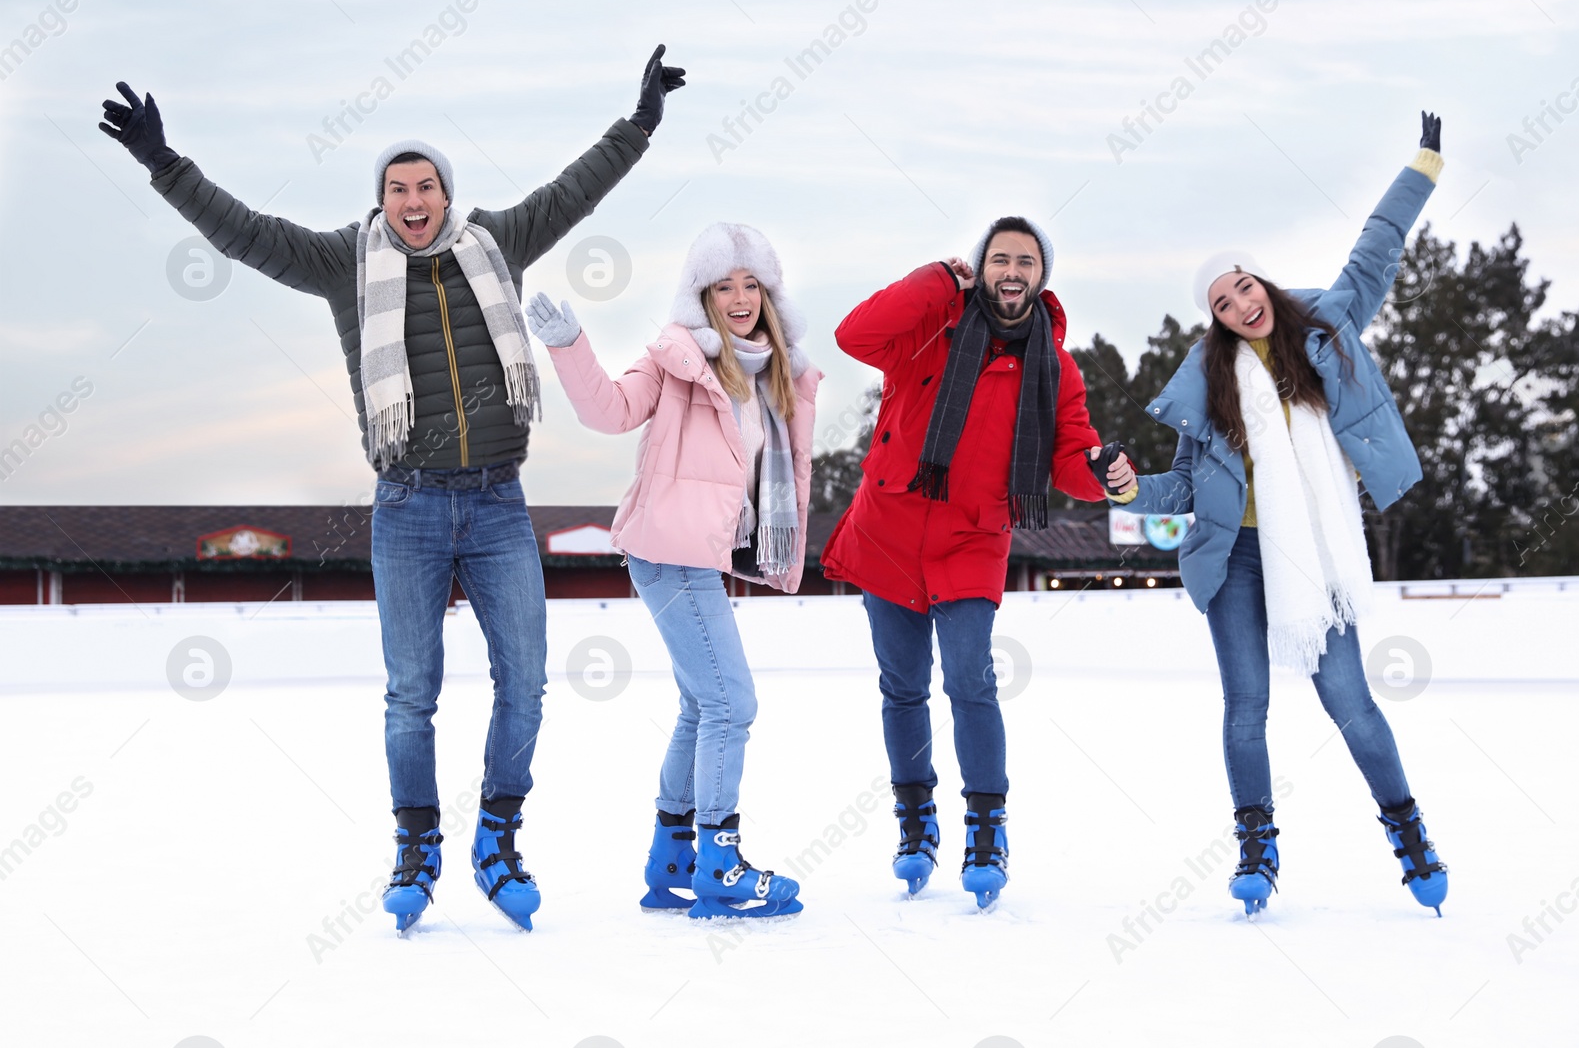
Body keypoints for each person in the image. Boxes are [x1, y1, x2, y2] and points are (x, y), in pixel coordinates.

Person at [96, 46, 686, 934]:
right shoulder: (346, 263)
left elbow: (577, 189)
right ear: (382, 201)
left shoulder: (498, 243)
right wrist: (164, 164)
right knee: (413, 691)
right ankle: (417, 846)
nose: (413, 203)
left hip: (496, 503)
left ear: (447, 193)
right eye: (398, 189)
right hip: (408, 506)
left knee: (524, 681)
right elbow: (246, 232)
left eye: (427, 187)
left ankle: (497, 835)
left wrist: (638, 122)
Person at [1113, 113, 1450, 917]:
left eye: (1245, 286)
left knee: (1350, 701)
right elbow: (1183, 488)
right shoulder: (1215, 387)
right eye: (1223, 303)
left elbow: (1378, 247)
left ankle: (1408, 831)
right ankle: (1257, 848)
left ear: (1262, 282)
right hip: (1234, 559)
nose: (1240, 304)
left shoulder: (1327, 329)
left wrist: (1424, 168)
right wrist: (1128, 488)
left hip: (1315, 558)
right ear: (1216, 318)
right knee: (1247, 707)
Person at [820, 216, 1134, 910]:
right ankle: (915, 818)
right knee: (902, 687)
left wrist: (1098, 468)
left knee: (970, 680)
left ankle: (986, 826)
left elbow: (1068, 456)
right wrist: (934, 281)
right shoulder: (930, 325)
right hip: (892, 530)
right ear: (979, 266)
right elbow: (853, 335)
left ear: (1042, 275)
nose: (1013, 269)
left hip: (972, 538)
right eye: (1000, 258)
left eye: (1026, 259)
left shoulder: (1055, 364)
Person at [526, 222, 821, 918]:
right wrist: (570, 345)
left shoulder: (780, 374)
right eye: (726, 285)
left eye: (752, 284)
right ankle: (718, 860)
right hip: (668, 553)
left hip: (701, 556)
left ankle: (672, 859)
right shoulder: (678, 357)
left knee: (702, 704)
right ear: (703, 294)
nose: (741, 297)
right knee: (732, 704)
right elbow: (612, 410)